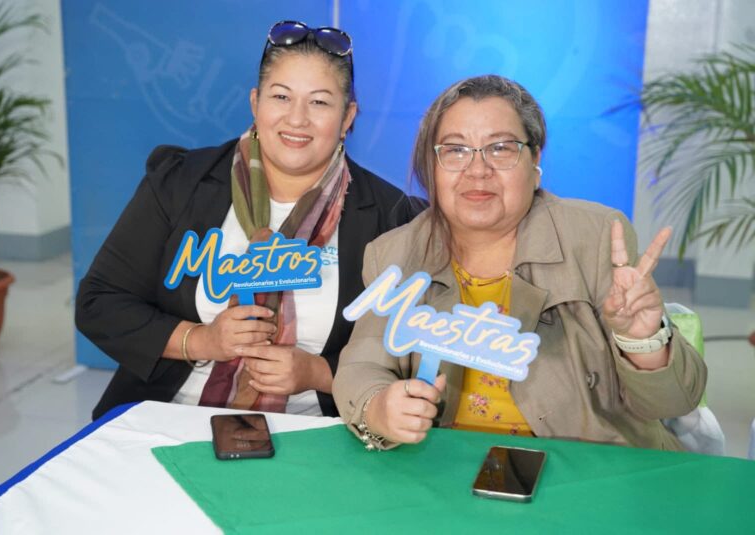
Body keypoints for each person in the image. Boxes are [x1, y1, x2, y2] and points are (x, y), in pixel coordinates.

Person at [332, 75, 707, 451]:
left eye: (500, 148)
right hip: (445, 465)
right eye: (456, 150)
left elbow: (674, 402)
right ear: (433, 163)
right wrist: (377, 407)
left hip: (586, 468)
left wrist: (641, 342)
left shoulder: (594, 238)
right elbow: (361, 366)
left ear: (535, 158)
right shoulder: (395, 254)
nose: (477, 170)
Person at [76, 21, 421, 420]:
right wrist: (201, 340)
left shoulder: (389, 216)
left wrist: (318, 372)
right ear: (256, 104)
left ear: (347, 117)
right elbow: (100, 302)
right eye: (281, 96)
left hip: (314, 429)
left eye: (319, 102)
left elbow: (410, 356)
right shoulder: (181, 182)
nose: (297, 118)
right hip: (168, 415)